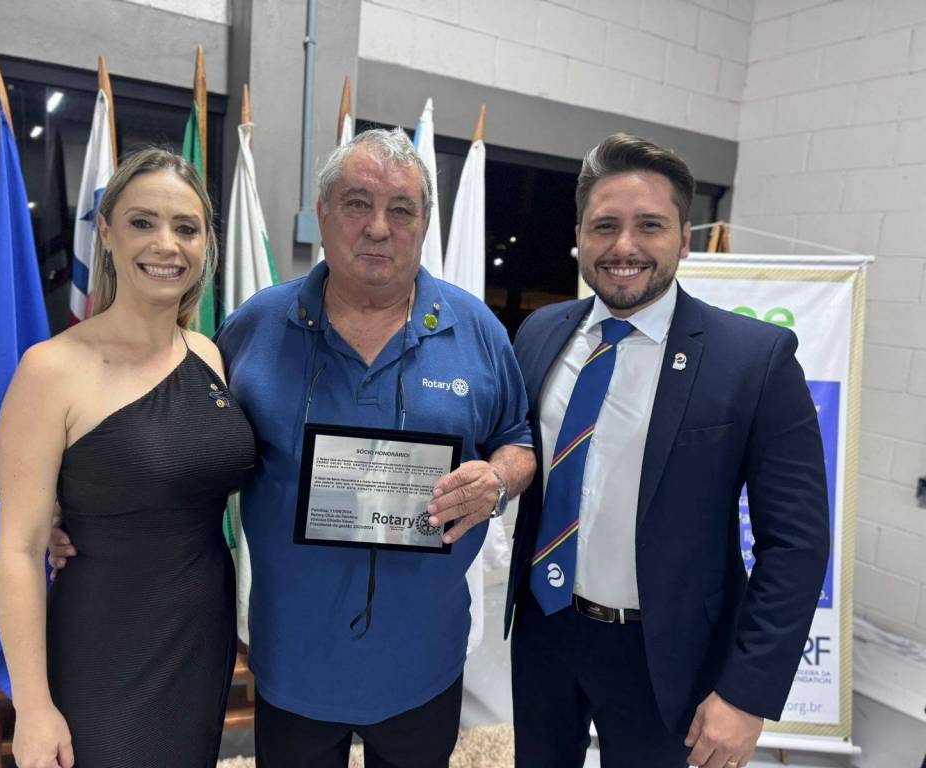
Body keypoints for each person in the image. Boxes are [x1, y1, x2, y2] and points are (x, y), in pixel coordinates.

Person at [51, 128, 536, 766]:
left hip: (424, 661)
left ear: (423, 224)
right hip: (292, 662)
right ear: (324, 214)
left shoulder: (477, 330)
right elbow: (173, 442)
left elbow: (517, 440)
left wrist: (497, 481)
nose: (379, 227)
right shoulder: (253, 329)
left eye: (401, 210)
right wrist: (71, 506)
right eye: (357, 203)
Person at [505, 133, 830, 768]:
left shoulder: (754, 359)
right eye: (605, 226)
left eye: (649, 225)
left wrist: (746, 694)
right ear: (580, 236)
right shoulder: (541, 333)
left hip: (668, 656)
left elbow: (796, 544)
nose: (623, 246)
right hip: (545, 629)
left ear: (684, 239)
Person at [0, 148, 255, 768]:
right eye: (143, 222)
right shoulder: (50, 370)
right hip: (104, 645)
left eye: (186, 228)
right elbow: (19, 552)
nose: (166, 244)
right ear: (107, 233)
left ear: (206, 245)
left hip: (201, 632)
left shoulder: (210, 355)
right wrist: (33, 708)